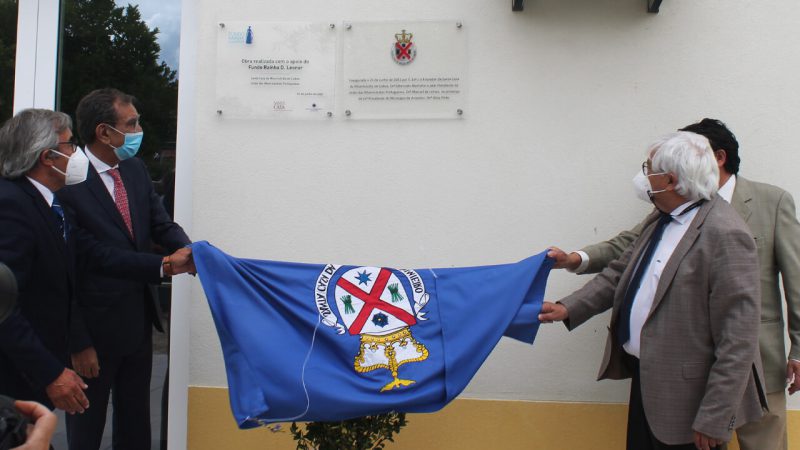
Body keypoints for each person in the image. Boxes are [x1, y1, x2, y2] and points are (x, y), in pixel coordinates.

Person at [549, 118, 800, 450]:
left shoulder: (725, 232)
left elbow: (737, 338)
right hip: (651, 382)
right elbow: (620, 271)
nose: (644, 178)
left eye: (648, 169)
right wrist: (568, 307)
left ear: (671, 179)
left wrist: (714, 417)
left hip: (692, 396)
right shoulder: (663, 218)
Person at [58, 88, 192, 450]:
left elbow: (160, 223)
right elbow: (91, 257)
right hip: (93, 333)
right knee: (86, 428)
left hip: (137, 324)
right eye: (131, 124)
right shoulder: (68, 182)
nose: (138, 130)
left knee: (135, 425)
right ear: (104, 132)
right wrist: (162, 266)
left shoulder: (133, 168)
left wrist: (187, 248)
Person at [0, 109, 91, 415]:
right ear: (47, 157)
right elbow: (4, 306)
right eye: (69, 146)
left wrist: (165, 264)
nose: (76, 153)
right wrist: (50, 372)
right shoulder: (11, 205)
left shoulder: (48, 201)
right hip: (14, 380)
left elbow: (87, 253)